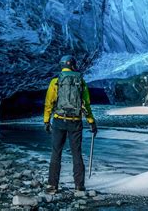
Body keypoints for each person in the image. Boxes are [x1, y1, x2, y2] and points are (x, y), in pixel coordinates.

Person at [43, 55, 98, 194]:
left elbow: (49, 103)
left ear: (61, 66)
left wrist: (46, 121)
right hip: (75, 122)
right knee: (76, 154)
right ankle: (79, 186)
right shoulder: (81, 81)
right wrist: (91, 122)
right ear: (73, 65)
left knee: (56, 153)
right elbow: (86, 105)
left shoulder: (55, 81)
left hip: (59, 120)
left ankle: (52, 186)